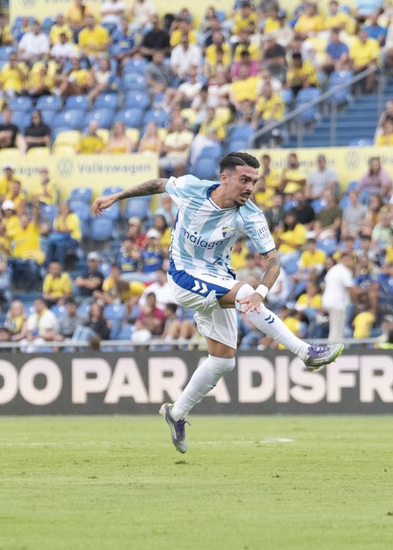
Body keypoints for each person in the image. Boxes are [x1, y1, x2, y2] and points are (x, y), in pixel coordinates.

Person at [93, 153, 341, 453]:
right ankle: (305, 352)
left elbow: (274, 261)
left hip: (219, 280)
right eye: (244, 179)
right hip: (184, 276)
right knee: (243, 292)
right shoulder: (191, 189)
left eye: (254, 182)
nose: (249, 187)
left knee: (223, 361)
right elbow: (158, 184)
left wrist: (262, 292)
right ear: (224, 178)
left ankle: (177, 413)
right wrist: (117, 196)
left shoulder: (251, 215)